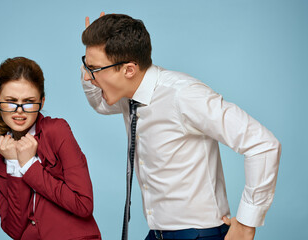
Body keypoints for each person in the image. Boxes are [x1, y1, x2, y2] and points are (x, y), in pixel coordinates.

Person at [80, 13, 281, 240]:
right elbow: (99, 102)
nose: (88, 78)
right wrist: (91, 62)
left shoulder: (183, 95)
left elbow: (263, 144)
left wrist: (246, 224)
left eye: (95, 70)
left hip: (198, 234)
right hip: (158, 233)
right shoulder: (128, 94)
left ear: (128, 70)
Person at [0, 57, 101, 240]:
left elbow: (83, 204)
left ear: (41, 102)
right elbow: (14, 230)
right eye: (10, 101)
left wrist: (30, 166)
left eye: (28, 101)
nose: (19, 110)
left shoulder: (57, 131)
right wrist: (14, 166)